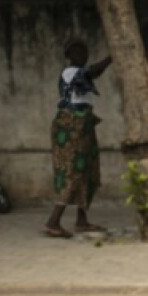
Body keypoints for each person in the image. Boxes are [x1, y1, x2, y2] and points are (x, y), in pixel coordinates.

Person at [44, 38, 111, 238]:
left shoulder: (80, 74)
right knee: (71, 170)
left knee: (87, 170)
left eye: (84, 51)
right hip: (70, 126)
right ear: (68, 56)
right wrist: (112, 57)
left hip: (83, 125)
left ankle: (82, 220)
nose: (82, 54)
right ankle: (53, 222)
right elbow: (93, 71)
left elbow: (92, 74)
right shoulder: (70, 72)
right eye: (77, 51)